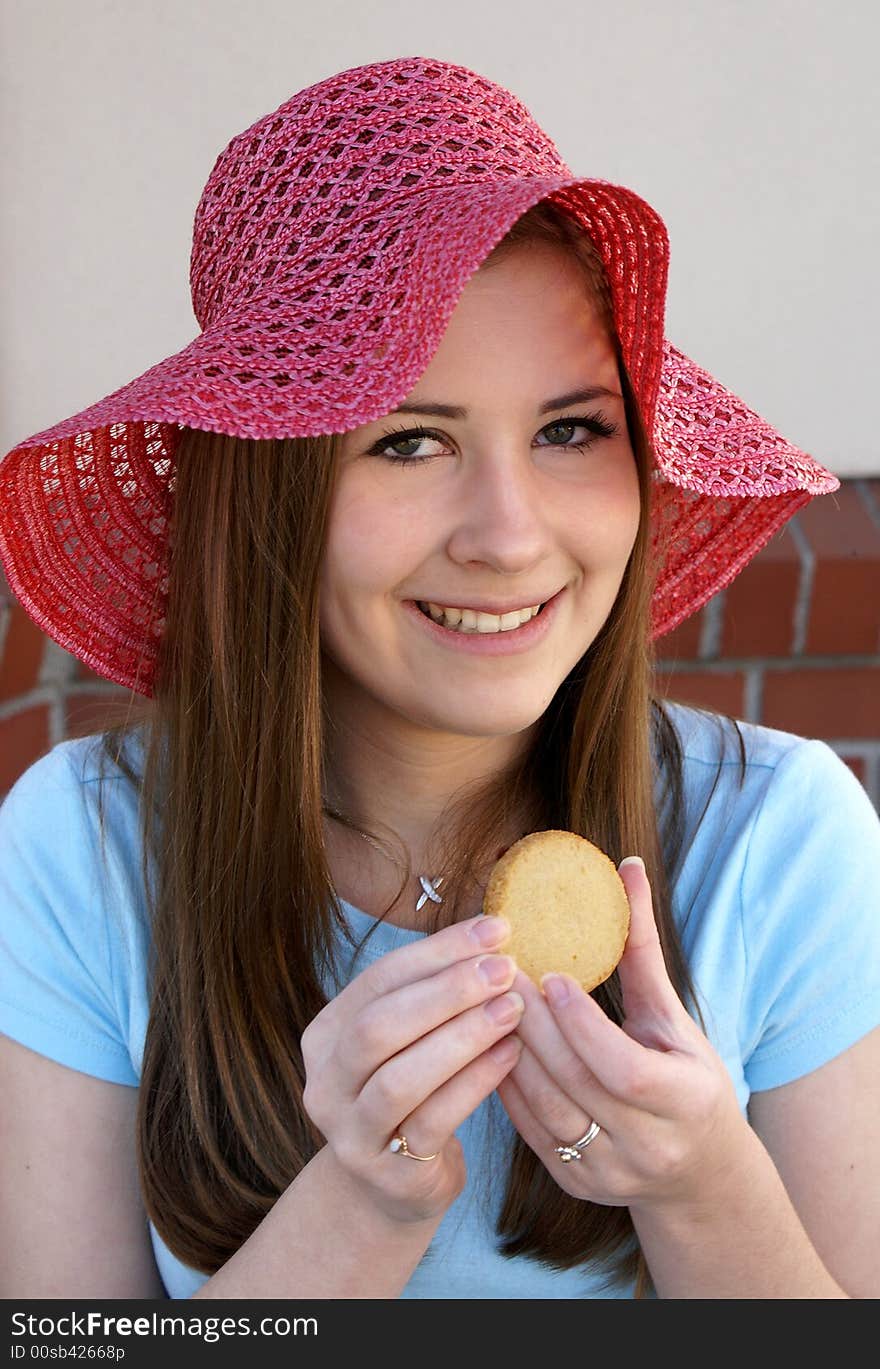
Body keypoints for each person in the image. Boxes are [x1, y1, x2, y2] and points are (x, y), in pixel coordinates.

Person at [0, 55, 878, 1302]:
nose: (510, 535)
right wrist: (358, 1205)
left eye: (572, 429)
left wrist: (701, 1186)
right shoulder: (80, 852)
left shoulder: (783, 841)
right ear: (273, 498)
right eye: (411, 440)